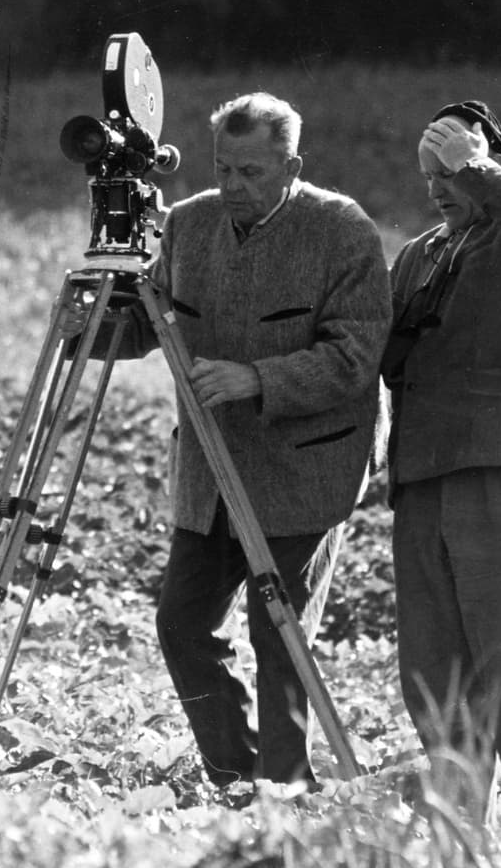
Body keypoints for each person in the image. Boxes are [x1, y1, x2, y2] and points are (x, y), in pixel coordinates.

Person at [114, 92, 391, 791]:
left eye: (251, 172)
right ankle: (236, 779)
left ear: (291, 165)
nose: (233, 186)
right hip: (211, 470)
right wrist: (87, 329)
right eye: (223, 168)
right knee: (182, 625)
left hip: (307, 472)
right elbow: (147, 321)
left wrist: (256, 378)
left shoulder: (342, 231)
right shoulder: (189, 222)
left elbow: (356, 355)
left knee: (279, 637)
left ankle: (287, 793)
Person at [382, 100, 501, 821]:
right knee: (433, 668)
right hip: (423, 475)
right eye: (428, 170)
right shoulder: (418, 255)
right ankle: (458, 821)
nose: (436, 183)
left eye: (450, 167)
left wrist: (476, 162)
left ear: (489, 163)